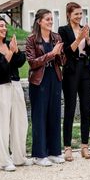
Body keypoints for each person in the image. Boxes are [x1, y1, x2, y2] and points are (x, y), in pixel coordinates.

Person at [0, 17, 28, 172]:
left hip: (15, 85)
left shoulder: (9, 43)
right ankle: (4, 161)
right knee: (2, 125)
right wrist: (9, 53)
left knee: (20, 122)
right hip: (1, 87)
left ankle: (19, 157)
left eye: (5, 26)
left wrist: (16, 51)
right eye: (1, 26)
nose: (4, 28)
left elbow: (21, 62)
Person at [25, 9, 66, 167]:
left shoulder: (57, 37)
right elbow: (32, 62)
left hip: (54, 77)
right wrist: (51, 54)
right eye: (47, 19)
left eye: (51, 19)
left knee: (54, 115)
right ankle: (39, 154)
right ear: (39, 21)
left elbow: (62, 61)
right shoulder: (32, 39)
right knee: (40, 116)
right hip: (39, 80)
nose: (50, 21)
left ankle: (54, 151)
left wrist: (59, 54)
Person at [58, 2, 90, 161]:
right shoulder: (63, 30)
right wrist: (79, 38)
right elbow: (66, 52)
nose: (79, 17)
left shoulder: (86, 30)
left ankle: (84, 146)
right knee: (70, 108)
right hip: (71, 71)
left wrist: (87, 38)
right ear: (69, 15)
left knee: (86, 109)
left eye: (81, 14)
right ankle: (67, 147)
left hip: (86, 69)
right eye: (76, 14)